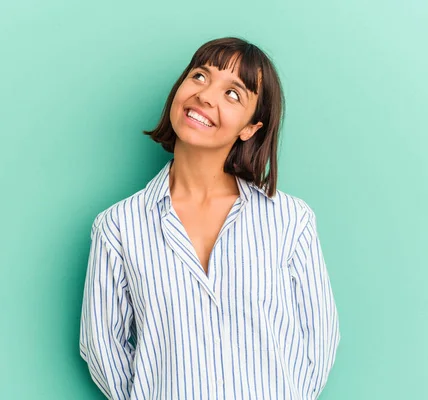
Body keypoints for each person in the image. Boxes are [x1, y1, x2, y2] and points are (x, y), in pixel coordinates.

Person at [79, 36, 341, 399]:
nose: (205, 96)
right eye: (200, 76)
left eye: (233, 94)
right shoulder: (118, 227)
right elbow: (102, 345)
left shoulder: (290, 220)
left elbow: (319, 340)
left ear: (251, 128)